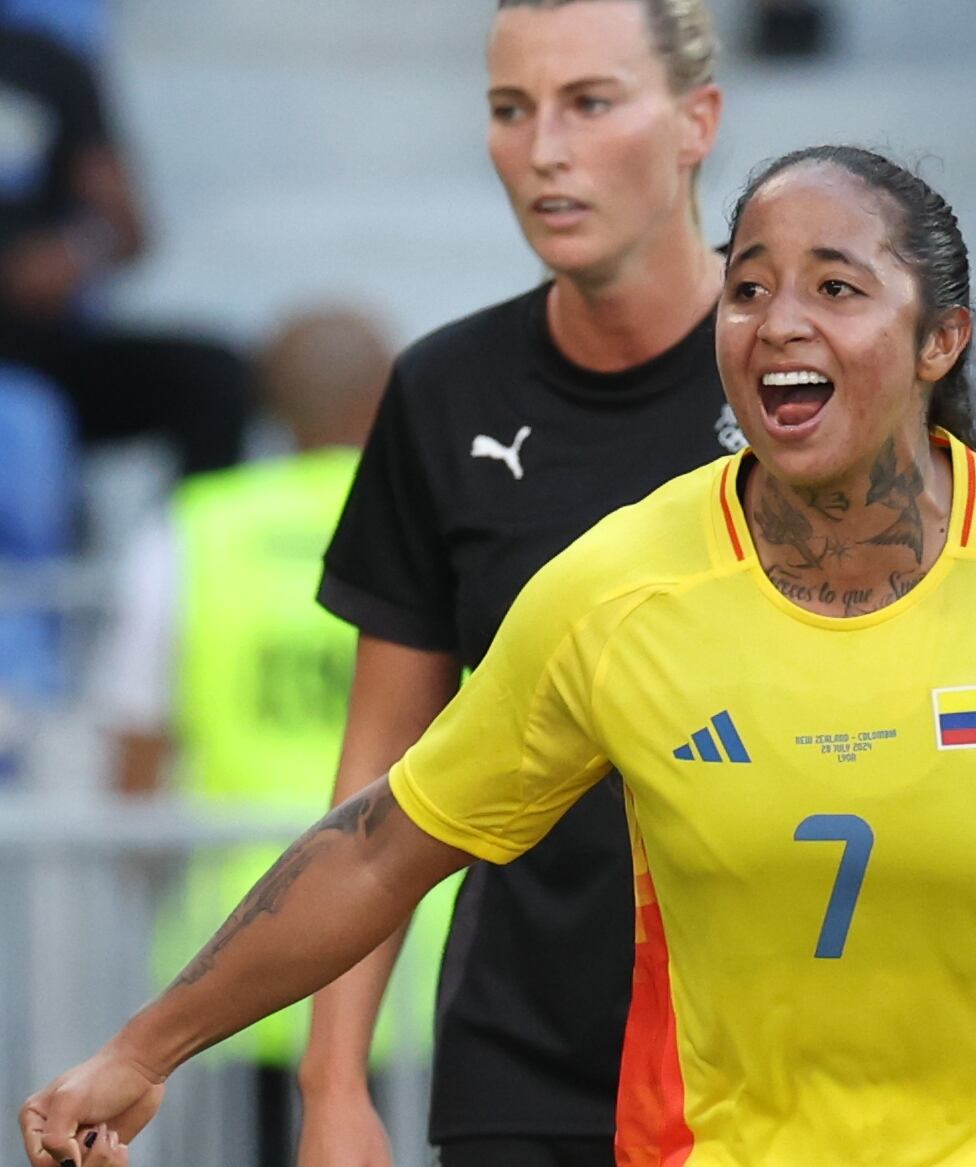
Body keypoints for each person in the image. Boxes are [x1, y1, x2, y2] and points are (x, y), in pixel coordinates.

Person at [20, 146, 976, 1167]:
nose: (776, 320)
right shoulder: (617, 589)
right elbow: (379, 847)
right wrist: (145, 1049)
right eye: (747, 283)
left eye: (836, 286)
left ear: (942, 342)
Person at [295, 3, 737, 1166]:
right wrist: (332, 1081)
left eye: (589, 103)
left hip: (773, 1073)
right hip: (520, 1070)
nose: (545, 149)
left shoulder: (813, 368)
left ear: (696, 121)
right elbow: (379, 775)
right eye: (510, 110)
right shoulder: (444, 392)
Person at [90, 309, 455, 1167]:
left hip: (238, 968)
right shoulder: (443, 525)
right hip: (421, 953)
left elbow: (134, 757)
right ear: (388, 395)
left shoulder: (194, 530)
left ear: (269, 408)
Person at [0, 22, 249, 477]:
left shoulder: (45, 63)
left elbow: (129, 228)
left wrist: (75, 253)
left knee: (214, 376)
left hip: (37, 345)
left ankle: (179, 540)